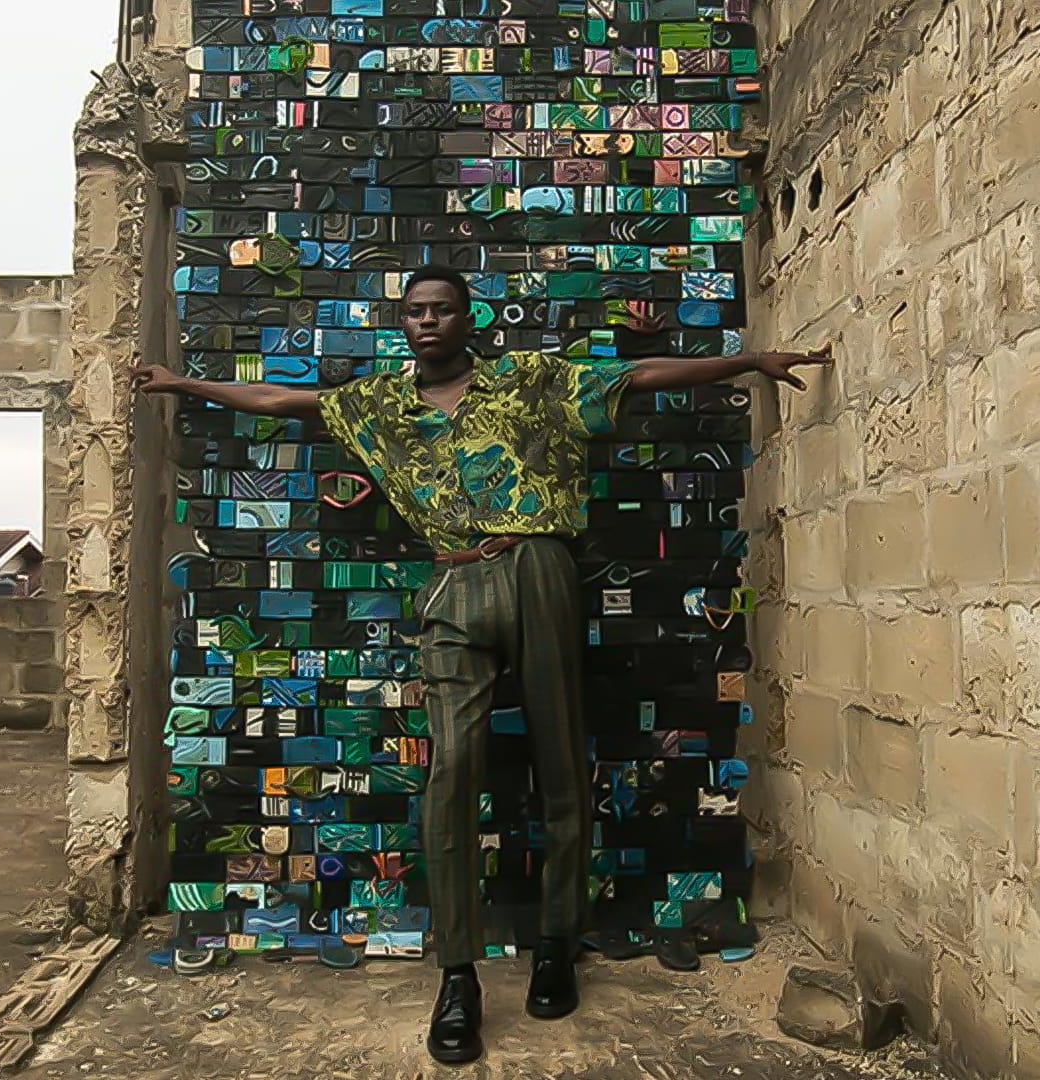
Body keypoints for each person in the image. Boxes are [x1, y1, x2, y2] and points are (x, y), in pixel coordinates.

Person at [133, 265, 828, 1065]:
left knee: (560, 760)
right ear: (404, 325)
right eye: (415, 312)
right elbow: (282, 401)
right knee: (452, 770)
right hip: (454, 580)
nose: (427, 323)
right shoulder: (380, 405)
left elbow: (636, 374)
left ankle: (557, 944)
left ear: (469, 318)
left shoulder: (530, 383)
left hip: (540, 569)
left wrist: (748, 362)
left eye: (442, 310)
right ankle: (457, 974)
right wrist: (180, 381)